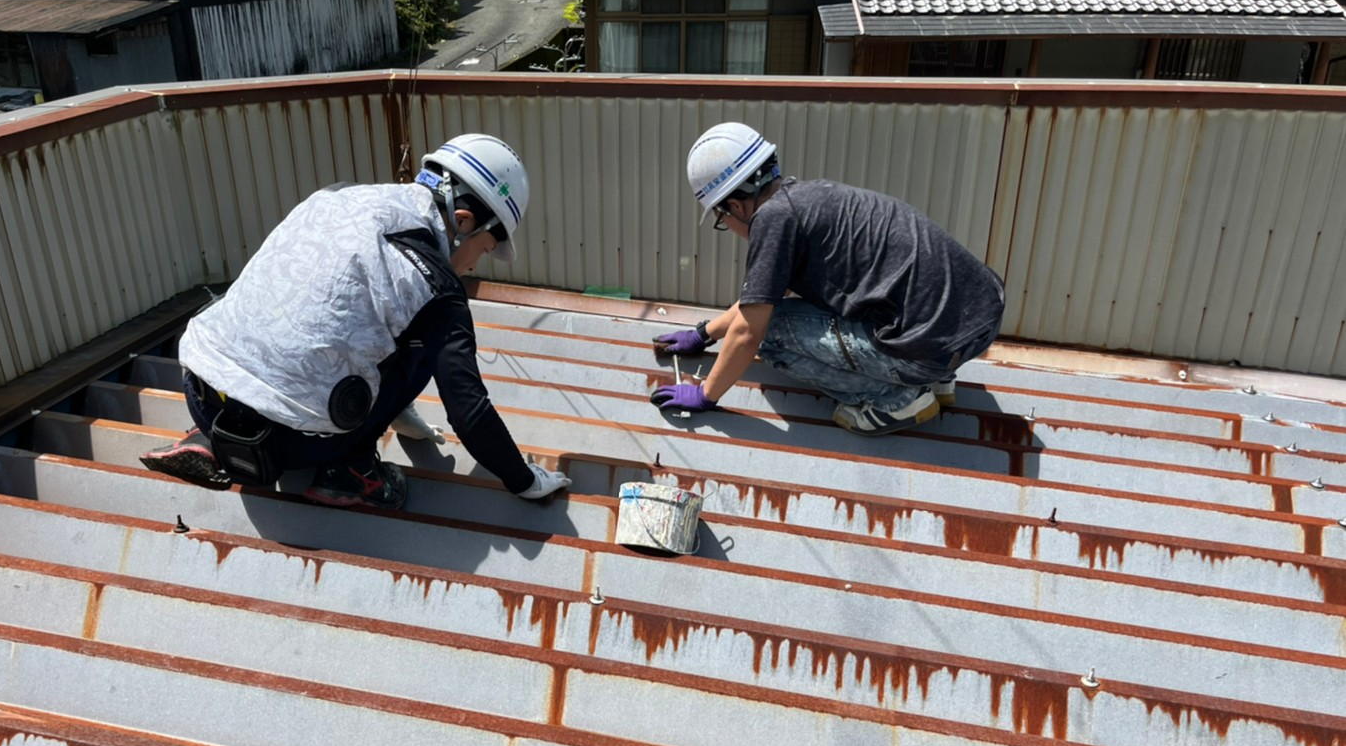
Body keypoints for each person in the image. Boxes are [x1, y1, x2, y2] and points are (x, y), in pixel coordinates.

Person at [139, 133, 570, 508]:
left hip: (200, 388)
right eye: (487, 247)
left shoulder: (336, 196)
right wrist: (526, 480)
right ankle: (352, 471)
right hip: (291, 443)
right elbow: (468, 410)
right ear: (463, 222)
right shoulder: (438, 287)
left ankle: (206, 438)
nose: (479, 263)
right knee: (428, 337)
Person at [649, 122, 1006, 436]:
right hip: (976, 318)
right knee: (794, 312)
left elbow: (749, 329)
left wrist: (706, 394)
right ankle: (937, 379)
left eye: (720, 218)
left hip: (928, 344)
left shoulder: (773, 223)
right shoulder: (812, 197)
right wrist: (704, 333)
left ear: (735, 207)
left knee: (771, 333)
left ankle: (896, 398)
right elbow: (763, 295)